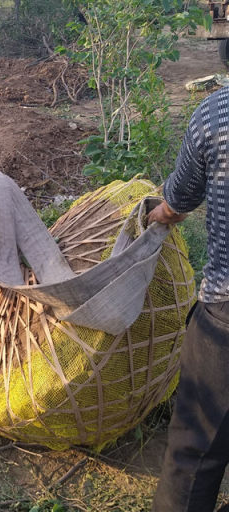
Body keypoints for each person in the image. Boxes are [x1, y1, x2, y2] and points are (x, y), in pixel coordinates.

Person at [148, 85, 229, 512]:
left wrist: (155, 215)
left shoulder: (215, 111)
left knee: (195, 452)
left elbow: (178, 201)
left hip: (225, 317)